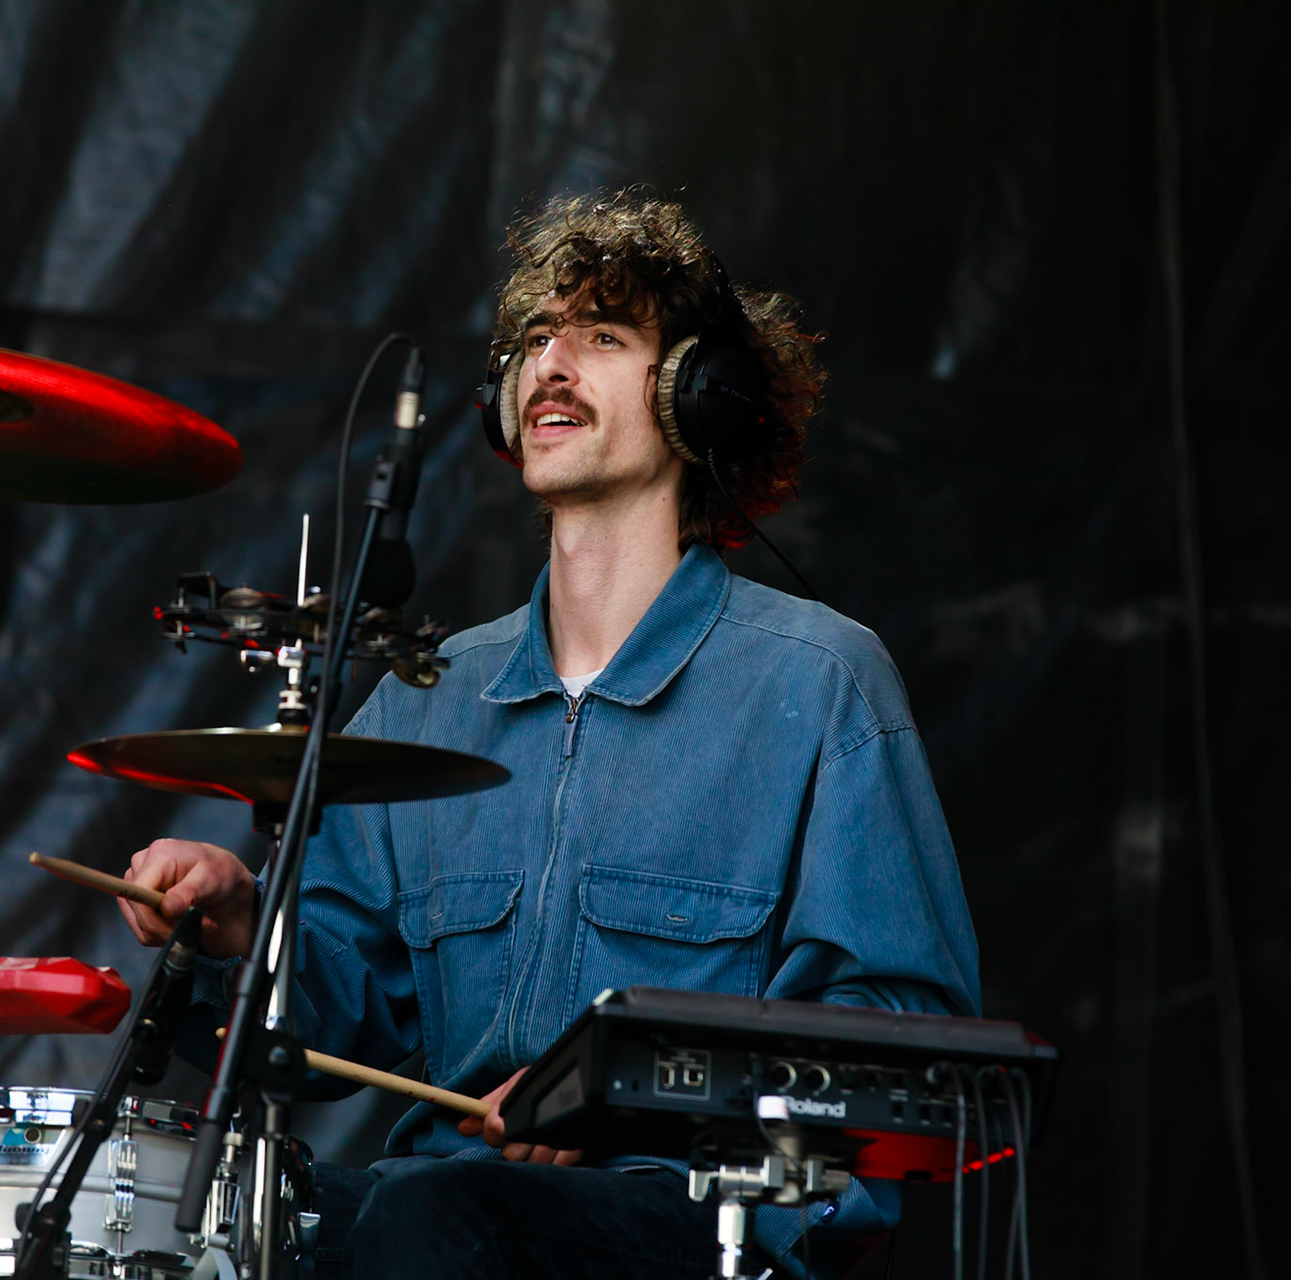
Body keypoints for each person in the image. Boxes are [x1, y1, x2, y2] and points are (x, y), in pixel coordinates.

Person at [117, 191, 980, 1279]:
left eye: (602, 337)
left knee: (433, 1213)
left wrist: (615, 1089)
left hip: (688, 1219)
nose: (551, 363)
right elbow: (332, 1023)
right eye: (533, 339)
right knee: (216, 1228)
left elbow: (900, 1032)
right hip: (435, 1210)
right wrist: (239, 915)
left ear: (696, 397)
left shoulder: (818, 681)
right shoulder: (432, 694)